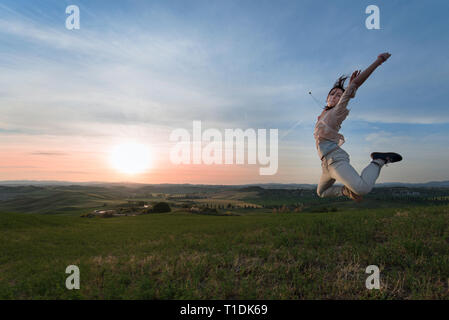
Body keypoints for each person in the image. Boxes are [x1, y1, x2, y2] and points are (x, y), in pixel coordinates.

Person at [314, 52, 402, 202]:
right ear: (327, 97)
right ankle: (346, 191)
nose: (335, 96)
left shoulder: (338, 111)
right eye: (332, 94)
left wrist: (378, 61)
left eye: (338, 95)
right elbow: (336, 99)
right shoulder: (324, 114)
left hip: (335, 161)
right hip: (325, 165)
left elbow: (355, 85)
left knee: (362, 188)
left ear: (342, 99)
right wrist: (348, 88)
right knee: (321, 192)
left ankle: (378, 160)